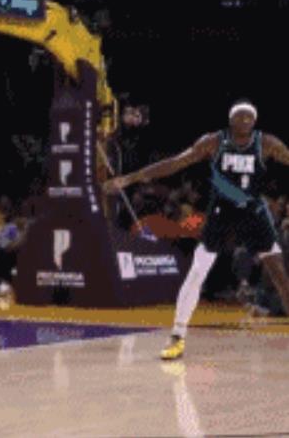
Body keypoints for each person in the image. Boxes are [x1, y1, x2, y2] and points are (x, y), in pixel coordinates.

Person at [105, 100, 289, 360]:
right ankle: (177, 335)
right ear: (231, 119)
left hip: (253, 212)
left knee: (279, 272)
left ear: (255, 121)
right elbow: (174, 163)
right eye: (240, 116)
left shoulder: (267, 143)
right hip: (221, 212)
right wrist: (129, 179)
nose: (245, 121)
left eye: (249, 117)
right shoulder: (213, 142)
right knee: (197, 272)